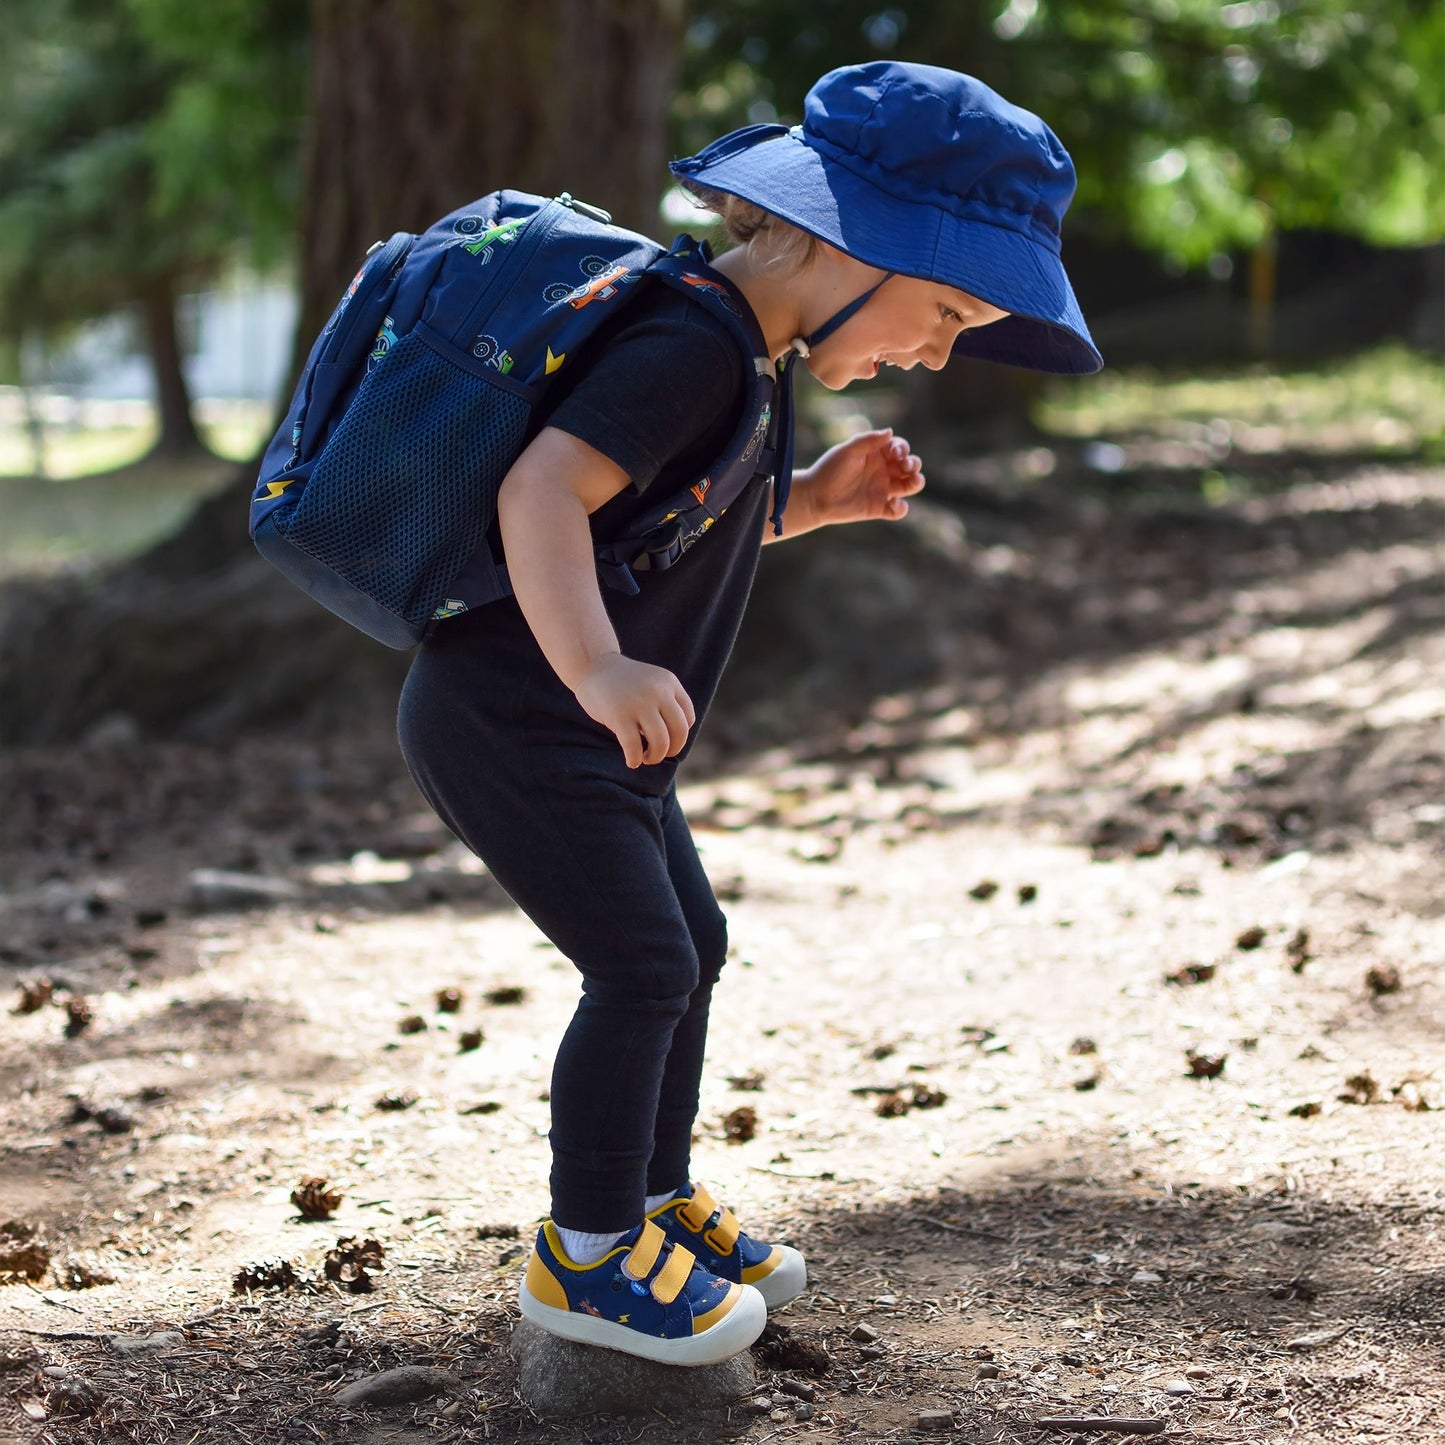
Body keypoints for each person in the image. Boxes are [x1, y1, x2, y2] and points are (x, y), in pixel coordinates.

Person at [397, 59, 1101, 1367]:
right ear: (842, 244)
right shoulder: (687, 343)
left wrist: (814, 501)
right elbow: (541, 496)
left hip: (588, 730)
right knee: (643, 963)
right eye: (941, 310)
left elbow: (662, 527)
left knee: (691, 945)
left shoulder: (746, 357)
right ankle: (589, 1255)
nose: (938, 350)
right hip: (518, 712)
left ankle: (652, 1205)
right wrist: (599, 669)